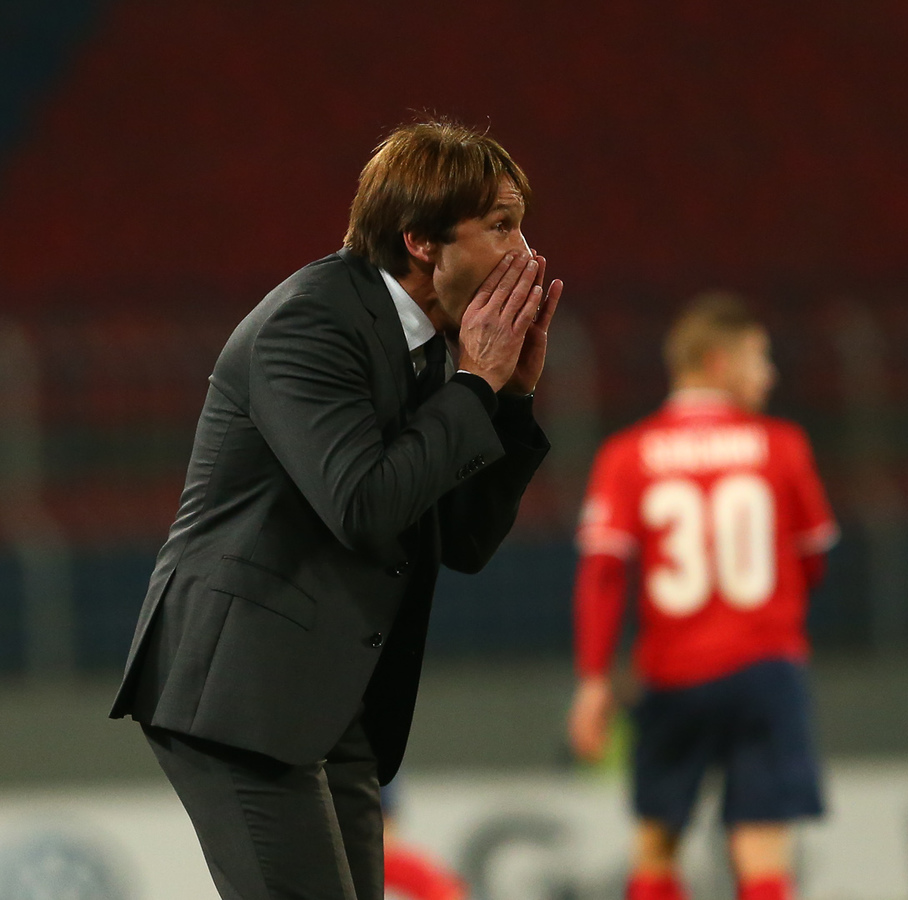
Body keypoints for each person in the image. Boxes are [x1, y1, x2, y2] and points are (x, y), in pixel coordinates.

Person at [108, 119, 563, 900]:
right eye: (501, 225)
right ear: (421, 240)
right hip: (241, 691)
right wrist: (474, 386)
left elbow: (463, 539)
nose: (524, 253)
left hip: (327, 699)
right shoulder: (311, 322)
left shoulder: (427, 345)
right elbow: (363, 503)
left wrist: (510, 398)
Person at [567, 294, 838, 900]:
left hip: (673, 672)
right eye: (758, 358)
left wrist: (593, 680)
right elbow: (813, 562)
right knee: (762, 850)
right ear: (718, 361)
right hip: (765, 669)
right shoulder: (782, 445)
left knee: (656, 847)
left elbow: (603, 574)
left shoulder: (627, 454)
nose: (769, 375)